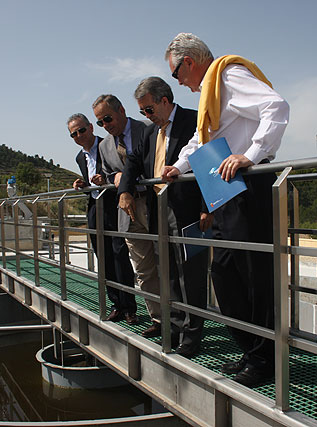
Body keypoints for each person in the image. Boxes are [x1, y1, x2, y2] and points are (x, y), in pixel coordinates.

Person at [162, 33, 290, 386]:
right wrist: (179, 166)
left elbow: (276, 107)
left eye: (175, 73)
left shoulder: (228, 76)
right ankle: (253, 352)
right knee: (224, 273)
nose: (178, 82)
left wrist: (251, 155)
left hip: (247, 186)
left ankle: (265, 362)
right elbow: (203, 140)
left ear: (188, 61)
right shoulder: (211, 91)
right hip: (225, 191)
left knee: (254, 277)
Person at [119, 77, 210, 356]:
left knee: (190, 276)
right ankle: (174, 329)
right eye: (142, 112)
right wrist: (125, 191)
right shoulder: (148, 133)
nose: (146, 116)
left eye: (149, 109)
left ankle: (193, 337)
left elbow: (208, 161)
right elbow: (134, 162)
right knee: (168, 274)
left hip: (188, 210)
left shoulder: (194, 121)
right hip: (159, 209)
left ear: (164, 101)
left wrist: (207, 207)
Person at [92, 94, 158, 327]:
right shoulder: (103, 145)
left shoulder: (149, 128)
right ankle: (158, 318)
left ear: (121, 110)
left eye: (107, 118)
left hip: (153, 203)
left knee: (167, 264)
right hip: (127, 210)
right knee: (143, 269)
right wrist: (114, 177)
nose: (105, 125)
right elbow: (109, 173)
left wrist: (130, 178)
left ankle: (181, 319)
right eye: (100, 122)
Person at [68, 113, 138, 325]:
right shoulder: (80, 157)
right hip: (94, 207)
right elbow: (91, 184)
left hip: (114, 205)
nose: (79, 136)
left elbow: (122, 169)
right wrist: (82, 186)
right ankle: (116, 304)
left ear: (91, 127)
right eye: (73, 134)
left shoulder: (107, 144)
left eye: (81, 130)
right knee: (104, 258)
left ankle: (130, 308)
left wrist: (105, 179)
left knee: (119, 255)